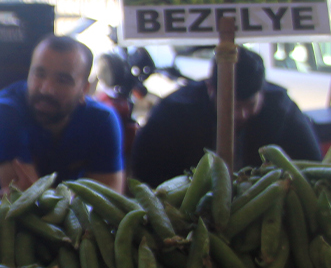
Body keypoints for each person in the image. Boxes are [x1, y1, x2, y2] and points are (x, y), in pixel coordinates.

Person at [0, 36, 125, 207]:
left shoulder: (102, 121)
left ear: (84, 89)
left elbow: (107, 199)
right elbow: (29, 199)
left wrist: (66, 202)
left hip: (61, 227)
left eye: (63, 80)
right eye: (39, 74)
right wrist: (76, 201)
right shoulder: (3, 112)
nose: (46, 88)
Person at [131, 47, 320, 186]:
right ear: (210, 88)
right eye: (231, 106)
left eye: (250, 105)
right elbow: (145, 176)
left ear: (262, 92)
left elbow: (312, 170)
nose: (241, 114)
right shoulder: (172, 113)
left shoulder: (284, 112)